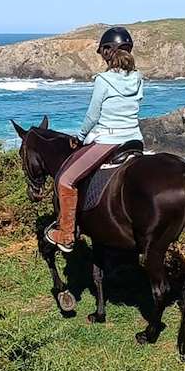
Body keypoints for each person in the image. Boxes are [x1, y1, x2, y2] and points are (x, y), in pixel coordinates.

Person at [45, 26, 144, 252]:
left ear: (108, 52)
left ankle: (66, 234)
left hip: (109, 140)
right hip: (135, 140)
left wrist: (80, 138)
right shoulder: (138, 78)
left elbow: (93, 115)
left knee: (65, 180)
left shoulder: (103, 80)